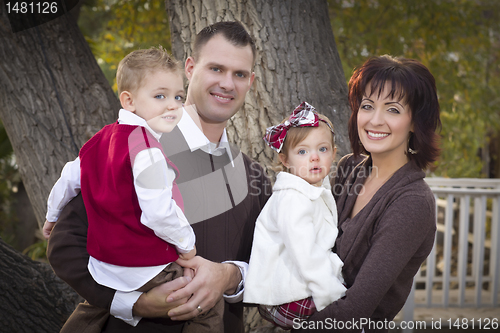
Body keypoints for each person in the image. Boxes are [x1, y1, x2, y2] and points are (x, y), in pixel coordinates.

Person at [47, 21, 271, 333]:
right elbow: (65, 245)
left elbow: (272, 268)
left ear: (251, 82)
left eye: (240, 74)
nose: (227, 84)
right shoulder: (135, 149)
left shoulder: (254, 177)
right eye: (216, 68)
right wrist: (134, 304)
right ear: (190, 68)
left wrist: (229, 277)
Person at [295, 55, 441, 333]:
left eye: (393, 110)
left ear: (414, 122)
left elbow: (357, 308)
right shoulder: (351, 167)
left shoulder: (412, 201)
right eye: (367, 106)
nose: (375, 120)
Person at [244, 102, 347, 330]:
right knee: (346, 318)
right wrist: (331, 292)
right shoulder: (292, 197)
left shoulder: (313, 189)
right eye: (302, 151)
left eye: (322, 149)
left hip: (298, 287)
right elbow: (305, 253)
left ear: (333, 153)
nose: (314, 157)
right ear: (285, 160)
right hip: (287, 296)